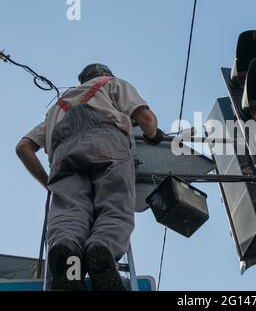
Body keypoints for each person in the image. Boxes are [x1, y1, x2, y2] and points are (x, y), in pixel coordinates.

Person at [15, 63, 163, 291]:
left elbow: (23, 147)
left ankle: (70, 265)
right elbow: (147, 120)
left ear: (82, 80)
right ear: (105, 74)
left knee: (69, 214)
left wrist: (49, 184)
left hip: (63, 156)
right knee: (114, 205)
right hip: (108, 145)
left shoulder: (58, 107)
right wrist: (153, 136)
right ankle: (101, 250)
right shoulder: (112, 84)